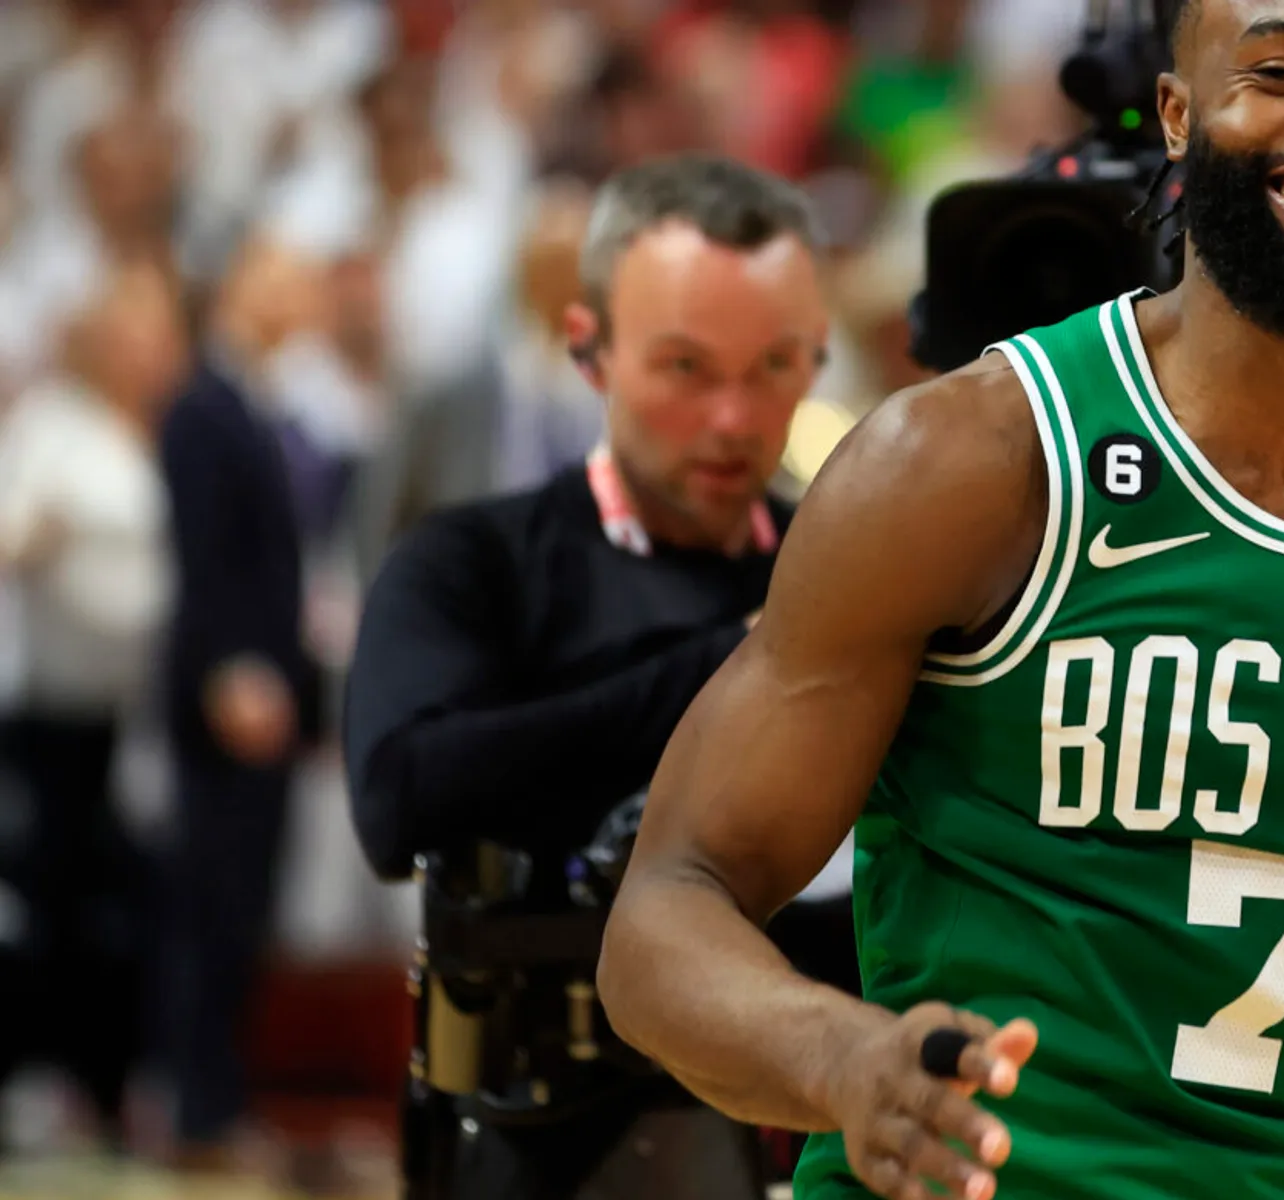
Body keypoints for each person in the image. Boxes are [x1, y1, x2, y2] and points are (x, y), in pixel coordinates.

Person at [601, 2, 1284, 1199]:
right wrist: (843, 1060)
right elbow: (665, 915)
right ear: (1178, 113)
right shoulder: (972, 461)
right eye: (1281, 70)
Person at [343, 154, 848, 1199]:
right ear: (589, 349)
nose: (733, 417)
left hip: (807, 1126)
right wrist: (746, 661)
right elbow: (400, 796)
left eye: (773, 366)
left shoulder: (850, 574)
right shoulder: (474, 560)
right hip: (529, 1135)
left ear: (818, 358)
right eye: (686, 368)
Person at [0, 264, 183, 1144]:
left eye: (154, 333)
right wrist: (41, 536)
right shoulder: (54, 428)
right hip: (59, 715)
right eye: (125, 332)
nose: (140, 350)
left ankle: (124, 1081)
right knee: (55, 903)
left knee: (141, 904)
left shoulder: (179, 431)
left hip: (149, 715)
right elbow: (13, 531)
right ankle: (46, 1079)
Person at [159, 235, 331, 1169]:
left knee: (245, 905)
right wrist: (230, 669)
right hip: (229, 697)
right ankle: (196, 1108)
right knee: (212, 904)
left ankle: (221, 1100)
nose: (297, 295)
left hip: (270, 688)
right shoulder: (201, 407)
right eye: (281, 278)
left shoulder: (258, 404)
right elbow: (203, 556)